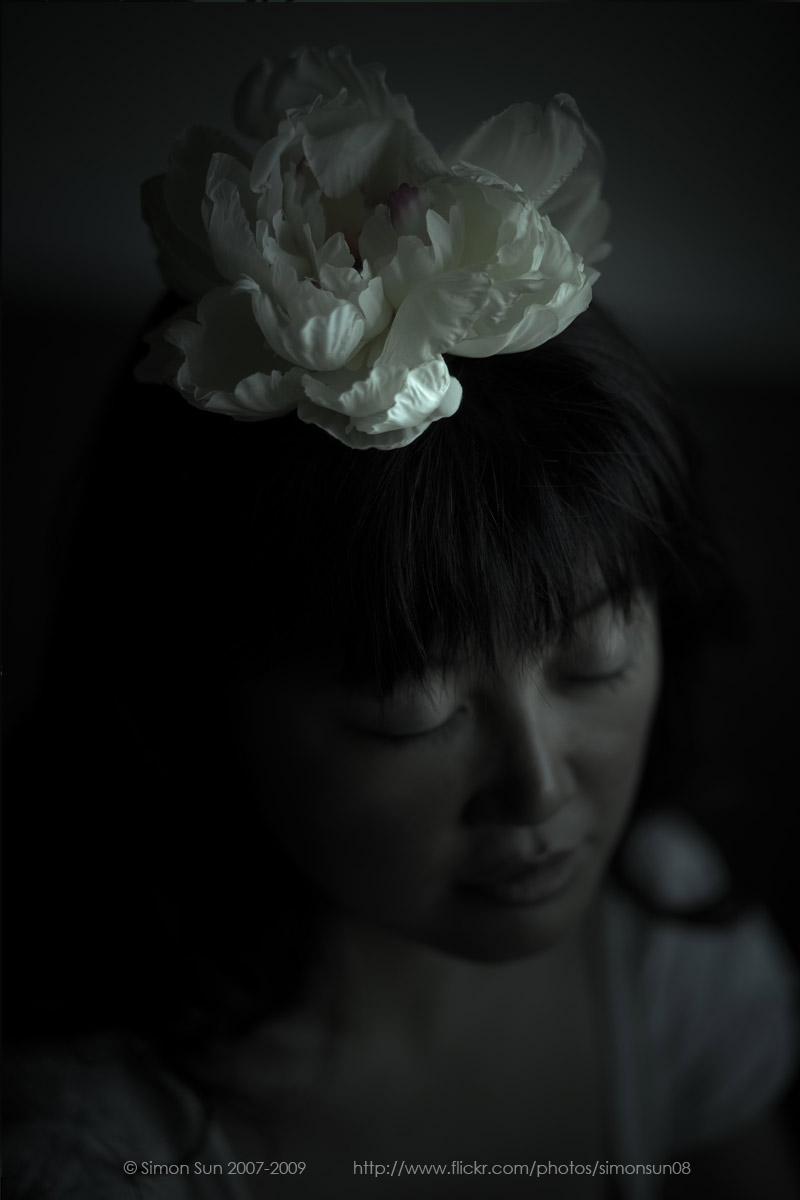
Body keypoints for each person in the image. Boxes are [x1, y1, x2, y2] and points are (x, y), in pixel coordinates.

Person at [5, 45, 799, 1200]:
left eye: (593, 660)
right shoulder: (102, 1147)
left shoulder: (667, 947)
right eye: (407, 713)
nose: (536, 788)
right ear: (195, 695)